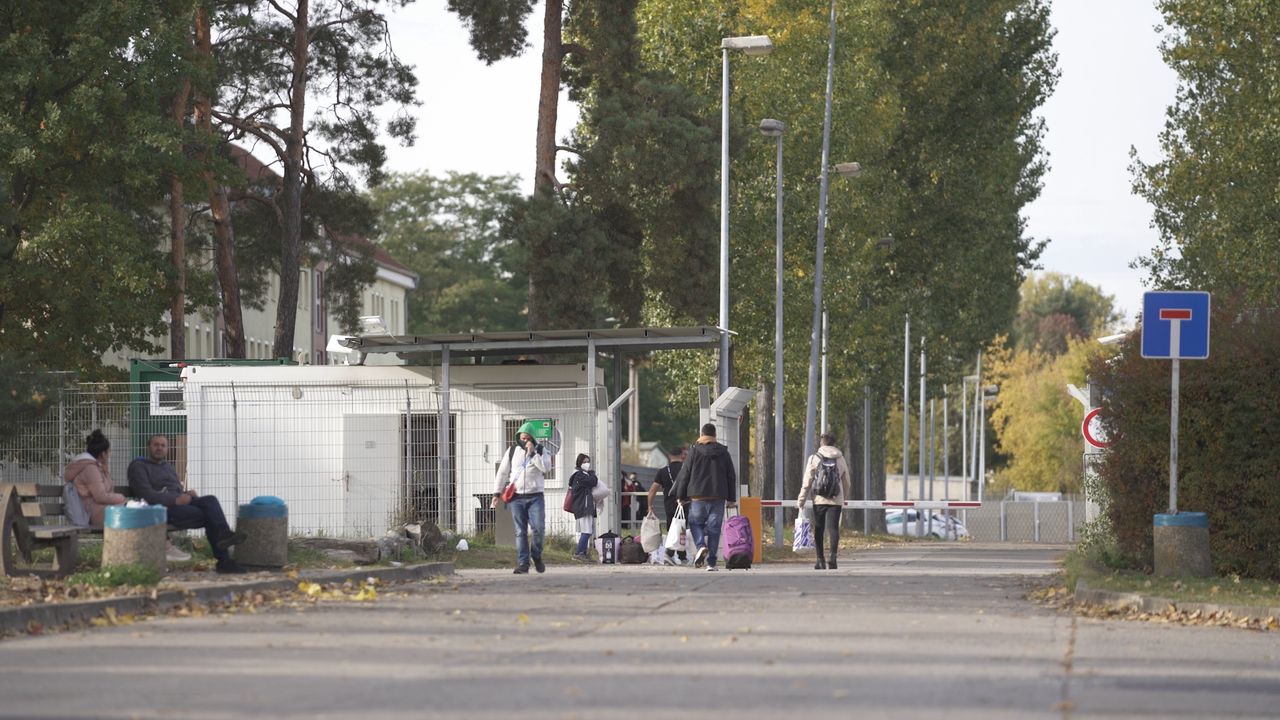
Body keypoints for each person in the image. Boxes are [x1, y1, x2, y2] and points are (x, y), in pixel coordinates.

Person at [128, 434, 246, 573]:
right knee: (209, 516)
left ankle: (224, 535)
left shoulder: (168, 467)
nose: (159, 448)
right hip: (161, 509)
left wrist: (187, 493)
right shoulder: (139, 466)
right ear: (149, 447)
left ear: (167, 448)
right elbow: (146, 494)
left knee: (210, 500)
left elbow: (176, 489)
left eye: (163, 445)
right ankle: (224, 560)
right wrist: (175, 500)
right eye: (156, 445)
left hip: (181, 503)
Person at [673, 423, 737, 571]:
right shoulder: (724, 452)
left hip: (697, 496)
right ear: (714, 436)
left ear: (701, 434)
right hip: (718, 496)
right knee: (714, 529)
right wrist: (731, 499)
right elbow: (731, 476)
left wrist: (680, 496)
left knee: (696, 524)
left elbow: (685, 475)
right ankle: (712, 563)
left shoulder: (694, 452)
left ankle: (701, 546)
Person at [491, 421, 552, 574]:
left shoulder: (541, 450)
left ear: (532, 438)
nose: (524, 441)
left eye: (527, 438)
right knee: (520, 531)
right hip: (516, 497)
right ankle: (523, 563)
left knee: (538, 529)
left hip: (535, 496)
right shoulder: (512, 451)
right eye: (522, 438)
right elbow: (502, 472)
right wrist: (496, 493)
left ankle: (536, 555)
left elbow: (545, 468)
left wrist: (533, 454)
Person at [797, 433, 851, 570]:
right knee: (833, 528)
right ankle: (832, 557)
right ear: (834, 444)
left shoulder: (814, 458)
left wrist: (801, 499)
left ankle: (820, 560)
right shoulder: (840, 458)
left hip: (819, 498)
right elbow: (847, 482)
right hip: (835, 498)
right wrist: (844, 498)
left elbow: (807, 480)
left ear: (822, 443)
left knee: (819, 529)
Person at [64, 429, 126, 527]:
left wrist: (105, 467)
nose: (109, 455)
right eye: (108, 452)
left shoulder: (97, 466)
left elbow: (109, 490)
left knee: (136, 512)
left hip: (101, 510)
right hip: (93, 514)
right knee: (133, 514)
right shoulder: (90, 469)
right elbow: (101, 496)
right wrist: (122, 498)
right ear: (103, 453)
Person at [646, 446, 688, 565]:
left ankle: (670, 553)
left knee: (671, 528)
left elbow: (652, 490)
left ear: (669, 456)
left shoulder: (663, 471)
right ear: (682, 455)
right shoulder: (687, 469)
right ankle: (682, 556)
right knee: (683, 528)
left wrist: (650, 505)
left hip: (669, 504)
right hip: (686, 503)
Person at [566, 453, 606, 561]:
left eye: (588, 461)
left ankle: (582, 552)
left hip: (585, 506)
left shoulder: (582, 474)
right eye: (584, 461)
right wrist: (592, 474)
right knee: (587, 531)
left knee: (588, 530)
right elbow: (593, 482)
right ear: (579, 463)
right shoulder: (579, 475)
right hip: (583, 506)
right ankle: (579, 553)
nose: (587, 463)